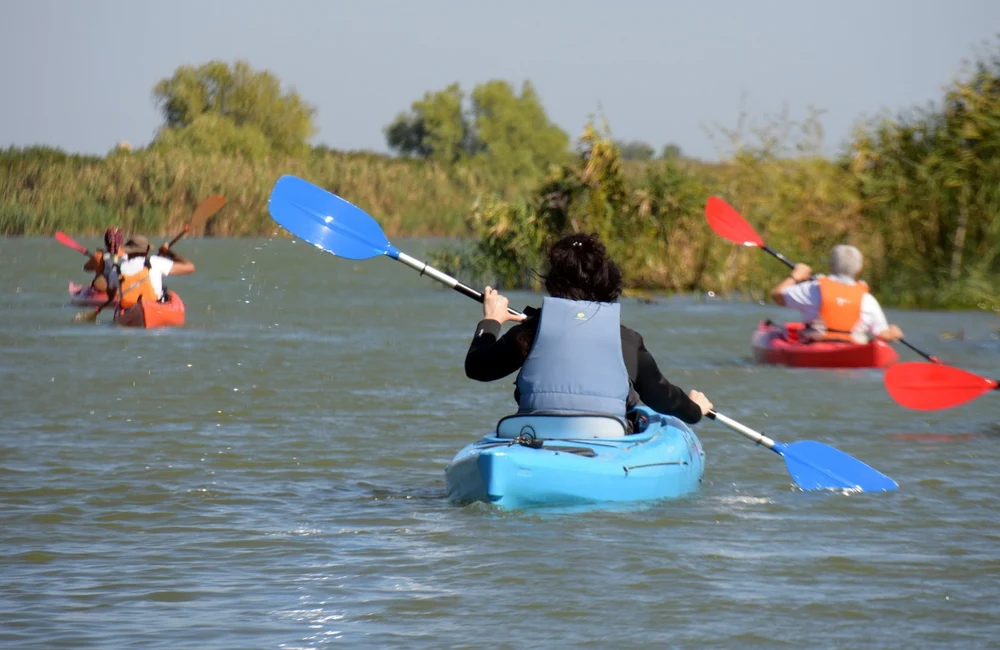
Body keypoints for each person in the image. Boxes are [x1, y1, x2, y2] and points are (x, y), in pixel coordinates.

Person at [464, 233, 714, 431]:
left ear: (553, 281)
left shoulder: (530, 333)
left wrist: (491, 321)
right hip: (605, 441)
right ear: (607, 282)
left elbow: (478, 367)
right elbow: (663, 397)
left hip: (536, 435)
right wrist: (694, 409)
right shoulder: (626, 340)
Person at [770, 244, 903, 343]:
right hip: (853, 349)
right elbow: (882, 334)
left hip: (815, 345)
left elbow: (778, 295)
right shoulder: (867, 299)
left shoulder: (813, 289)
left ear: (831, 266)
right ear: (859, 269)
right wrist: (893, 333)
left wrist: (796, 275)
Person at [109, 234, 196, 309]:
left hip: (129, 309)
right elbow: (190, 267)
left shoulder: (116, 270)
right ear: (147, 251)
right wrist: (168, 253)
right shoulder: (154, 261)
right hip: (154, 306)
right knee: (168, 294)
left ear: (127, 251)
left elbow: (112, 295)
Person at [82, 227, 125, 293]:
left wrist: (93, 258)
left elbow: (86, 268)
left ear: (105, 241)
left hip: (103, 288)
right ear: (121, 241)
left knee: (96, 281)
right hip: (122, 287)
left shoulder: (98, 255)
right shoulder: (126, 255)